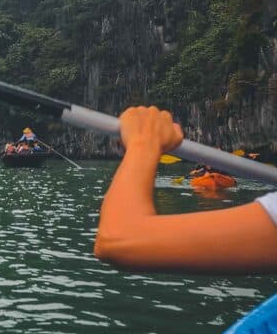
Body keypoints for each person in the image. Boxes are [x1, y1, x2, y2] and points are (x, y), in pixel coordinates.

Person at [94, 106, 277, 272]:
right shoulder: (202, 168)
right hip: (211, 179)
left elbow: (118, 239)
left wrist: (143, 143)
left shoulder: (215, 169)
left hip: (217, 179)